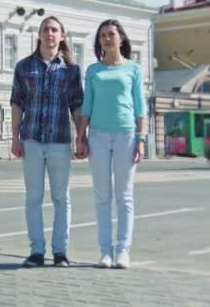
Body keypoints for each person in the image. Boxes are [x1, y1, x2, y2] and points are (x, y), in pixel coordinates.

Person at [10, 16, 84, 268]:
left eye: (54, 30)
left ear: (62, 36)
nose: (50, 33)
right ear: (39, 35)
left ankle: (60, 252)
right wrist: (15, 137)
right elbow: (17, 103)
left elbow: (76, 105)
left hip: (59, 141)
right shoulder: (23, 67)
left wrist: (80, 137)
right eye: (45, 29)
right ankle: (37, 251)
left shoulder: (71, 70)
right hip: (31, 139)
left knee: (61, 198)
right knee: (33, 197)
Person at [77, 19, 147, 269]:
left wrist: (141, 139)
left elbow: (141, 107)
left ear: (121, 39)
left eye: (111, 34)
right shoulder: (93, 71)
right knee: (102, 196)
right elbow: (87, 106)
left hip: (126, 135)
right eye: (103, 35)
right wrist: (80, 135)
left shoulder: (133, 69)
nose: (107, 39)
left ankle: (123, 251)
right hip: (97, 135)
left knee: (124, 195)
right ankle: (105, 251)